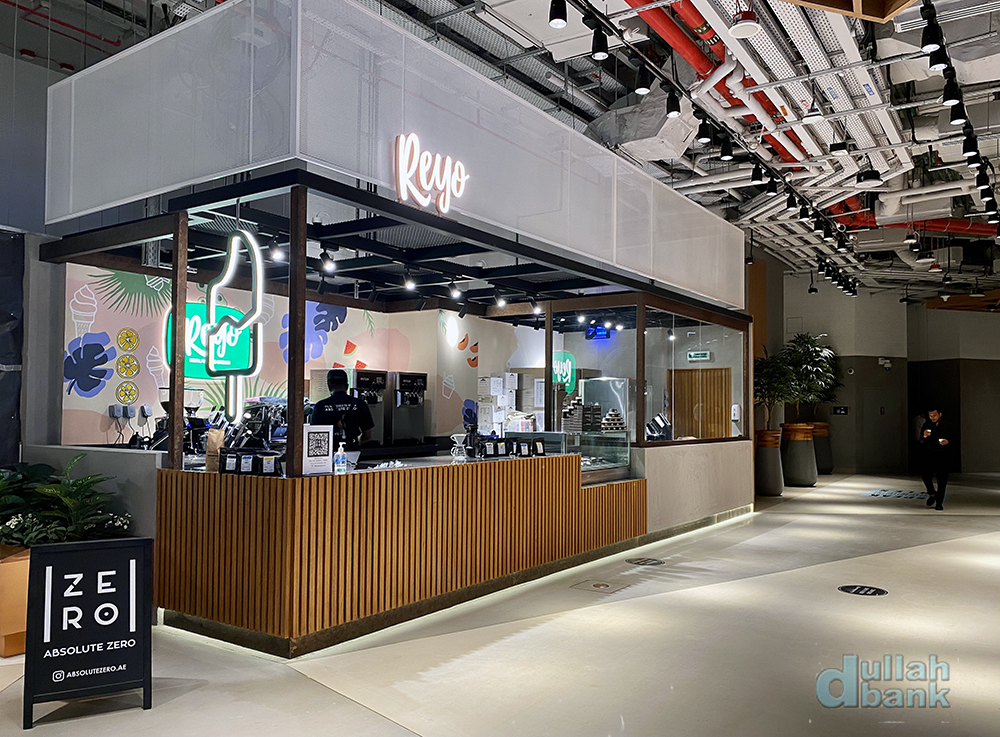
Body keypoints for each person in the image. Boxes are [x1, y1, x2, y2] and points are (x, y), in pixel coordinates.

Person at [311, 369, 375, 465]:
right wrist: (358, 441)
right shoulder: (360, 404)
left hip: (326, 456)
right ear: (347, 386)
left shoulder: (320, 406)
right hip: (353, 451)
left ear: (329, 386)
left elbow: (314, 436)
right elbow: (368, 434)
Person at [917, 406, 954, 510]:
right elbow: (921, 440)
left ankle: (939, 502)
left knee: (942, 480)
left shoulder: (947, 425)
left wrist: (948, 442)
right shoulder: (927, 424)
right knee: (925, 475)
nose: (932, 417)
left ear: (940, 414)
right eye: (930, 415)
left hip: (943, 456)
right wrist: (924, 436)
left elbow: (955, 439)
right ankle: (933, 494)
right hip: (929, 455)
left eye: (934, 415)